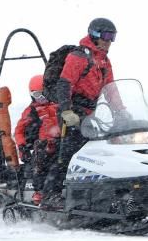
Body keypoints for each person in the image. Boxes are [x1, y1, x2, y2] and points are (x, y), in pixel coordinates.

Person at [40, 17, 117, 208]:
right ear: (95, 34)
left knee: (97, 150)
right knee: (70, 152)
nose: (109, 41)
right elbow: (65, 83)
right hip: (72, 110)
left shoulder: (105, 61)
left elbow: (111, 89)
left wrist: (122, 112)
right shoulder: (79, 56)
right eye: (106, 36)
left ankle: (94, 191)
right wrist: (66, 111)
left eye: (113, 37)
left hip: (89, 112)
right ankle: (51, 195)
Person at [14, 75, 61, 202]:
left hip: (62, 141)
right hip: (44, 145)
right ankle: (39, 191)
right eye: (37, 95)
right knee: (41, 160)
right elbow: (19, 131)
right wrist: (22, 146)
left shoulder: (61, 104)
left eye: (43, 94)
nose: (41, 98)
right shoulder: (32, 110)